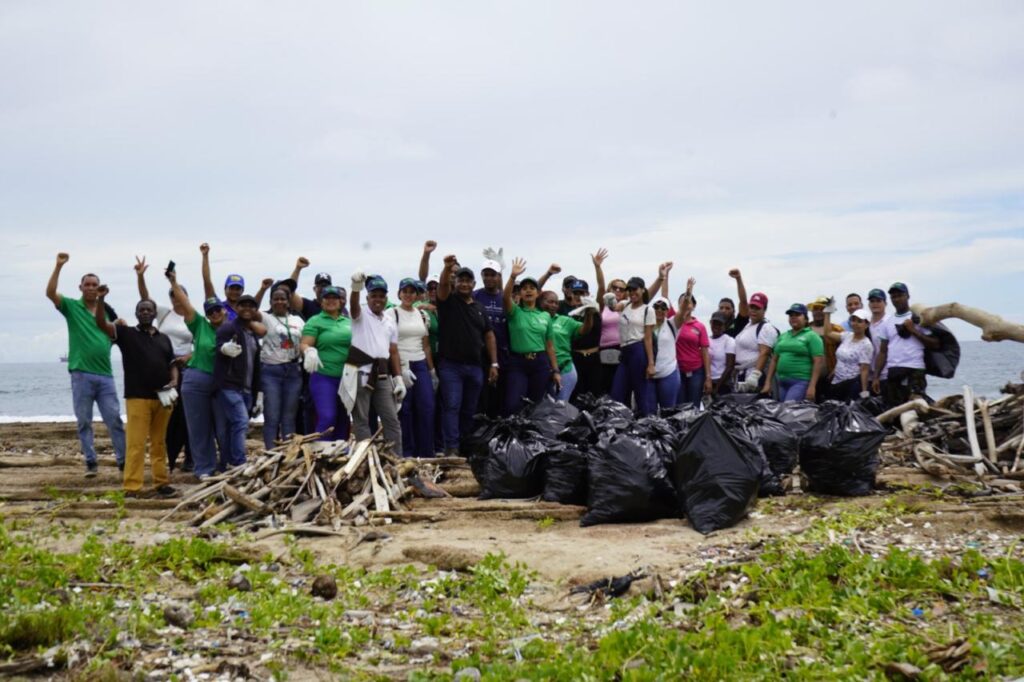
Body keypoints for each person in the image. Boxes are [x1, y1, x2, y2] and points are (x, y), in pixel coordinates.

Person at [46, 252, 127, 477]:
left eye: (95, 285)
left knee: (115, 420)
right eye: (88, 284)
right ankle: (91, 462)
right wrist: (58, 265)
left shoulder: (106, 313)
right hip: (81, 374)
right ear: (81, 287)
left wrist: (119, 324)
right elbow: (50, 293)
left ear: (100, 288)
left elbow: (115, 334)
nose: (91, 288)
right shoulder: (72, 307)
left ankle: (123, 462)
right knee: (84, 421)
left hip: (105, 375)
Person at [93, 287, 177, 498]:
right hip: (137, 397)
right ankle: (132, 487)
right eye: (142, 310)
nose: (146, 312)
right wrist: (101, 299)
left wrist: (175, 381)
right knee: (136, 444)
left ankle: (161, 483)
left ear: (154, 313)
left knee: (159, 443)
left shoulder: (164, 338)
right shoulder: (126, 333)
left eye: (149, 309)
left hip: (163, 398)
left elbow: (172, 364)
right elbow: (101, 323)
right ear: (136, 314)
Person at [135, 256, 194, 471]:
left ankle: (190, 457)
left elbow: (201, 343)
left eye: (178, 294)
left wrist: (188, 358)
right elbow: (145, 299)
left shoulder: (194, 317)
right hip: (166, 369)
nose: (175, 298)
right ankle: (168, 459)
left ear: (185, 296)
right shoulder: (164, 313)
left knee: (188, 415)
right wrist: (140, 276)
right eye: (172, 295)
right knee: (167, 413)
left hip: (188, 369)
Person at [436, 256, 498, 456]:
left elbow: (489, 335)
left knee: (469, 409)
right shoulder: (448, 301)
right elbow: (443, 285)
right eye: (460, 280)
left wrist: (494, 363)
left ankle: (463, 445)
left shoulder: (479, 307)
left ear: (473, 284)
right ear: (456, 282)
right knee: (452, 406)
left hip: (475, 367)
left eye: (467, 281)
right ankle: (451, 448)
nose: (463, 284)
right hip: (450, 366)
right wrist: (446, 268)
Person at [168, 270, 226, 480]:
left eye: (217, 309)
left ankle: (226, 464)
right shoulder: (200, 324)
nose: (214, 314)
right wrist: (174, 282)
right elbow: (185, 303)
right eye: (210, 311)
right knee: (199, 428)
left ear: (224, 310)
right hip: (196, 379)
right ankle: (204, 468)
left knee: (223, 427)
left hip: (222, 384)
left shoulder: (232, 328)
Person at [347, 274, 404, 452]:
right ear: (368, 297)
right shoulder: (361, 314)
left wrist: (399, 377)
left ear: (386, 298)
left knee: (391, 419)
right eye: (374, 295)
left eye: (381, 296)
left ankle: (396, 460)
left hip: (382, 374)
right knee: (361, 420)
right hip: (360, 372)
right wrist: (356, 287)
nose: (377, 299)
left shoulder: (389, 320)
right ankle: (364, 458)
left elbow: (393, 350)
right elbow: (354, 305)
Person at [503, 258, 561, 413]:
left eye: (532, 288)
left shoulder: (545, 316)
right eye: (524, 288)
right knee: (513, 404)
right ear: (520, 293)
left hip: (540, 363)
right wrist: (512, 277)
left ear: (538, 293)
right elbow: (505, 297)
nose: (528, 290)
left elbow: (549, 345)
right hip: (518, 363)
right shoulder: (515, 312)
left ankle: (531, 436)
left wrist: (555, 371)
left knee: (536, 405)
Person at [214, 294, 263, 468]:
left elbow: (256, 367)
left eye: (251, 306)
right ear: (236, 308)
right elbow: (219, 346)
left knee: (231, 426)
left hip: (248, 389)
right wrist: (224, 349)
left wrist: (259, 394)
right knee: (241, 421)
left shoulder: (252, 334)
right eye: (243, 305)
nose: (247, 309)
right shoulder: (228, 329)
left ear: (255, 310)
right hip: (229, 386)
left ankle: (225, 463)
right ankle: (239, 462)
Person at [873, 282, 940, 407]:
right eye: (894, 297)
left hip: (914, 369)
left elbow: (935, 344)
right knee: (894, 407)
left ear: (907, 296)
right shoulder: (887, 323)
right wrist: (876, 376)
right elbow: (883, 351)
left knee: (916, 405)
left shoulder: (919, 318)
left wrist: (914, 331)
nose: (897, 299)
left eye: (900, 295)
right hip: (893, 370)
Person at [299, 286, 352, 440]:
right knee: (327, 416)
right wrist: (309, 351)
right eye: (327, 298)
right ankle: (321, 452)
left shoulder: (347, 322)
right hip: (324, 377)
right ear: (321, 302)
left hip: (346, 378)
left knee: (343, 418)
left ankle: (341, 455)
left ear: (340, 301)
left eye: (334, 298)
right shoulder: (315, 321)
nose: (331, 301)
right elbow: (304, 344)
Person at [394, 278, 437, 458]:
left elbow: (425, 344)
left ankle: (426, 453)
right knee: (405, 409)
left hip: (420, 363)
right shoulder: (392, 313)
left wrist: (431, 370)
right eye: (405, 291)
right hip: (402, 362)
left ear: (416, 294)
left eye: (412, 292)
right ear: (399, 293)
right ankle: (407, 453)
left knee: (427, 406)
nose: (408, 295)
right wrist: (398, 372)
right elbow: (391, 345)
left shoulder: (422, 315)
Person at [260, 284, 305, 449]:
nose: (279, 302)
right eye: (276, 299)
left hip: (293, 371)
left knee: (289, 416)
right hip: (271, 371)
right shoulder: (265, 318)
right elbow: (250, 310)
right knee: (272, 415)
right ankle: (271, 453)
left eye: (283, 299)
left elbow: (305, 340)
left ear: (288, 301)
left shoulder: (297, 320)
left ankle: (288, 452)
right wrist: (263, 289)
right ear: (271, 302)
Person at [472, 245, 510, 418]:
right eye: (485, 274)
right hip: (480, 354)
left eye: (492, 274)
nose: (488, 278)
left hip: (503, 352)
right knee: (482, 395)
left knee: (501, 396)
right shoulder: (475, 295)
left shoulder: (505, 298)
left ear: (498, 277)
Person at [611, 276, 657, 415]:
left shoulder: (648, 310)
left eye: (635, 289)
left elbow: (648, 338)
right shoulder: (625, 304)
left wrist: (651, 364)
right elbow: (613, 306)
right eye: (629, 290)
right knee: (617, 392)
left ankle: (645, 426)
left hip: (638, 349)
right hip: (624, 351)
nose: (632, 293)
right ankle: (620, 424)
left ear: (642, 290)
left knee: (640, 392)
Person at [761, 303, 824, 402]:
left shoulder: (812, 336)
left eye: (797, 315)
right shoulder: (783, 336)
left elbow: (818, 362)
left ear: (806, 319)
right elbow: (774, 360)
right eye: (791, 315)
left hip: (800, 381)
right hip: (781, 382)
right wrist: (768, 382)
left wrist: (812, 386)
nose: (793, 317)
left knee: (788, 411)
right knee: (781, 411)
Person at [541, 290, 597, 401]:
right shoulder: (535, 318)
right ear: (540, 302)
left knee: (559, 407)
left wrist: (589, 315)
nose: (553, 305)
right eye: (550, 302)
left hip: (564, 369)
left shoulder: (565, 320)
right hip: (540, 368)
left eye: (556, 303)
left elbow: (584, 330)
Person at [569, 249, 608, 399]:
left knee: (595, 396)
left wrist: (597, 267)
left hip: (594, 359)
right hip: (575, 359)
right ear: (571, 295)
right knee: (577, 396)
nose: (579, 296)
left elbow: (602, 289)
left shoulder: (595, 310)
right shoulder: (567, 316)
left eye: (582, 293)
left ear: (587, 294)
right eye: (576, 293)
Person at [673, 278, 712, 409]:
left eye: (689, 302)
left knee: (694, 406)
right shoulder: (674, 323)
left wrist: (708, 377)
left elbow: (705, 352)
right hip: (677, 371)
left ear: (694, 306)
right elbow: (664, 296)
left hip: (696, 372)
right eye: (683, 302)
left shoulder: (700, 326)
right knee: (680, 406)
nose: (686, 305)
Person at [822, 308, 874, 401]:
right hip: (836, 382)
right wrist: (827, 313)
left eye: (859, 321)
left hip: (852, 386)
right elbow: (828, 333)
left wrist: (864, 391)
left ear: (867, 325)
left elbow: (864, 370)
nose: (855, 324)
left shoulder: (866, 344)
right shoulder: (847, 336)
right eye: (853, 320)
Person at [734, 292, 779, 393]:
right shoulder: (748, 326)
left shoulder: (766, 328)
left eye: (757, 308)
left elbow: (765, 353)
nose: (753, 310)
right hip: (742, 373)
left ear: (764, 310)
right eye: (752, 307)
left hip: (754, 375)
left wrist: (755, 375)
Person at [808, 296, 845, 402]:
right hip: (808, 377)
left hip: (831, 377)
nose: (819, 312)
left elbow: (846, 351)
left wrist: (836, 368)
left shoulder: (837, 329)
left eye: (822, 308)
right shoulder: (805, 329)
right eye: (816, 309)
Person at [200, 243, 245, 321]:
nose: (234, 291)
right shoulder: (218, 307)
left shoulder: (246, 310)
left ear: (242, 291)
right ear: (225, 289)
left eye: (237, 289)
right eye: (231, 288)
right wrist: (205, 256)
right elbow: (207, 282)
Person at [599, 277, 628, 394]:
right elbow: (600, 287)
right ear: (609, 289)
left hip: (622, 349)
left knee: (621, 387)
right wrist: (598, 267)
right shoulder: (601, 306)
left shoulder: (628, 306)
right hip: (603, 350)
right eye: (615, 288)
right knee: (604, 386)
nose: (618, 290)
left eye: (621, 289)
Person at [650, 296, 680, 410]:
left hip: (668, 372)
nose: (659, 310)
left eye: (663, 308)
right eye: (656, 307)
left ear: (668, 311)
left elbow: (683, 311)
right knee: (648, 413)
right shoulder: (645, 326)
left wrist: (688, 294)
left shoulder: (672, 324)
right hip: (649, 374)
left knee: (668, 411)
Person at [866, 288, 890, 395]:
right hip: (868, 375)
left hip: (886, 374)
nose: (875, 304)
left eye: (878, 301)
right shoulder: (865, 323)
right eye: (872, 301)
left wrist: (877, 376)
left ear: (885, 303)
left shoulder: (889, 322)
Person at [708, 311, 736, 395]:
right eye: (714, 323)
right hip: (709, 382)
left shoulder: (729, 341)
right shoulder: (706, 340)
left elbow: (730, 366)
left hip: (723, 383)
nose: (716, 326)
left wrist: (716, 389)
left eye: (719, 324)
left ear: (725, 326)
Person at [719, 268, 750, 338]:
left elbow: (743, 302)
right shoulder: (716, 327)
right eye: (721, 308)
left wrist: (738, 279)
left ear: (733, 311)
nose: (723, 310)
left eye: (727, 308)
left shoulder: (738, 323)